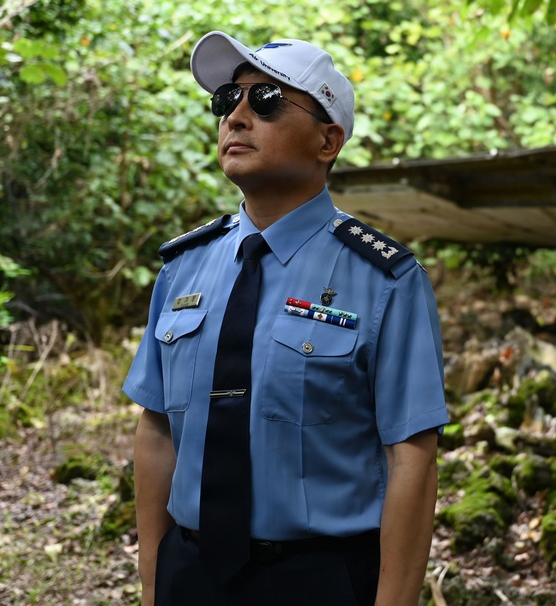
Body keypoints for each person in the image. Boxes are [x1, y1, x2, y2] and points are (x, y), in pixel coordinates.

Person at [123, 31, 449, 606]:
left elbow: (412, 455)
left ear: (328, 141)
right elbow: (156, 430)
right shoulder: (183, 269)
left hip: (317, 578)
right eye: (228, 100)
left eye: (267, 101)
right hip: (190, 572)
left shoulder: (383, 279)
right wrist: (153, 584)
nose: (238, 117)